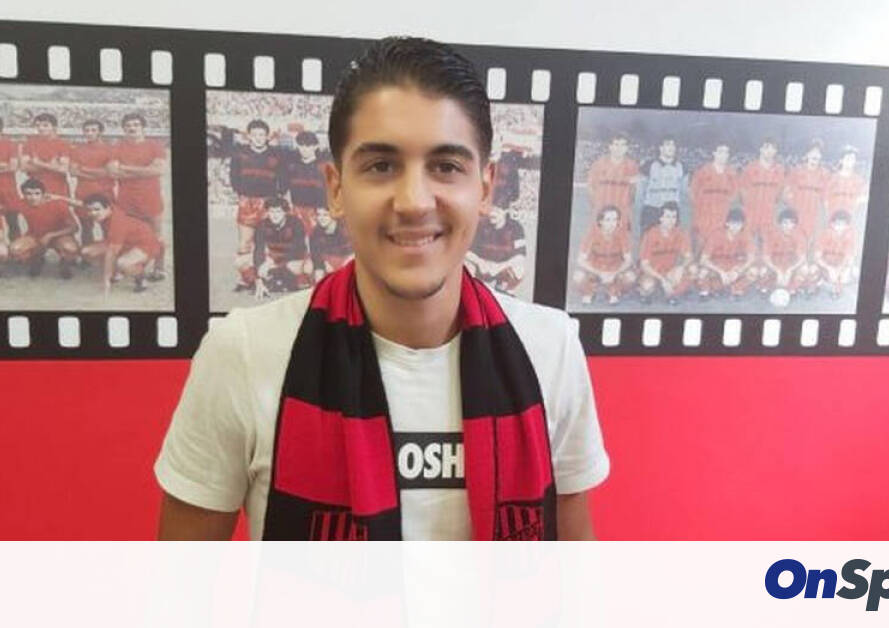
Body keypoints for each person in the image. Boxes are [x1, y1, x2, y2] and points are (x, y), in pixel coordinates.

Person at [155, 37, 608, 541]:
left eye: (446, 166)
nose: (414, 201)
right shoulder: (241, 353)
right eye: (381, 166)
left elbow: (574, 566)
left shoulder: (552, 349)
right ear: (335, 189)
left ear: (485, 187)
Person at [108, 112, 167, 279]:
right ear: (123, 129)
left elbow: (158, 170)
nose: (132, 128)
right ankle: (128, 265)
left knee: (156, 235)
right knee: (127, 235)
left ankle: (159, 268)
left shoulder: (155, 146)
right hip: (126, 201)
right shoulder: (118, 146)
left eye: (135, 125)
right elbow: (113, 172)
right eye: (128, 126)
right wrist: (145, 171)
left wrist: (126, 168)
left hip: (151, 199)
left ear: (143, 127)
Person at [228, 119, 283, 290]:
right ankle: (246, 278)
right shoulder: (240, 154)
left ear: (267, 136)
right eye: (255, 134)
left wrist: (278, 195)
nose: (258, 138)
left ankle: (268, 277)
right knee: (245, 242)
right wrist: (241, 193)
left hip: (268, 203)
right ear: (249, 136)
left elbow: (283, 178)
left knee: (269, 242)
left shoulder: (276, 155)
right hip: (247, 202)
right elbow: (233, 177)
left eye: (262, 134)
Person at [79, 193, 163, 294]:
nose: (93, 213)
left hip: (145, 244)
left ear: (108, 208)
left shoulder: (117, 223)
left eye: (97, 209)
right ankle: (118, 272)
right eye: (90, 210)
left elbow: (111, 254)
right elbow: (81, 204)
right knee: (86, 252)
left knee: (123, 263)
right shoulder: (108, 210)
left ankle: (140, 277)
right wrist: (62, 198)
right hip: (125, 242)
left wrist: (106, 281)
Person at [11, 179, 79, 279]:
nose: (33, 197)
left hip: (59, 237)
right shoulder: (21, 203)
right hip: (35, 236)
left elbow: (74, 227)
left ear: (43, 194)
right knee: (15, 249)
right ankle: (37, 259)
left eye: (37, 193)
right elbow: (4, 207)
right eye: (28, 194)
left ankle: (65, 263)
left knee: (70, 248)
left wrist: (51, 235)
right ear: (23, 195)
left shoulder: (58, 204)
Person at [572, 205, 635, 305]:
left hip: (615, 271)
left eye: (615, 219)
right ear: (600, 221)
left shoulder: (622, 235)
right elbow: (580, 260)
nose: (612, 223)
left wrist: (615, 273)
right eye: (608, 220)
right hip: (595, 270)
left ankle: (614, 291)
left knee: (631, 277)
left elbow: (628, 260)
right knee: (577, 277)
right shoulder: (591, 235)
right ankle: (590, 291)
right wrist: (599, 273)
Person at [252, 196, 312, 298]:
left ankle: (300, 280)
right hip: (274, 257)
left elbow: (298, 250)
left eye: (278, 212)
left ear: (285, 212)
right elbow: (258, 249)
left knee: (301, 267)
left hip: (294, 259)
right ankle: (273, 280)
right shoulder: (262, 225)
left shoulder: (295, 223)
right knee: (243, 263)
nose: (275, 215)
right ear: (267, 212)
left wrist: (275, 263)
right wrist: (259, 274)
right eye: (271, 212)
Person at [70, 119, 116, 245]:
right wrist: (98, 172)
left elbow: (110, 172)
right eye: (87, 130)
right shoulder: (77, 149)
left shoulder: (110, 149)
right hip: (83, 193)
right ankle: (86, 254)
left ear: (100, 132)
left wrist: (84, 169)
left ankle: (107, 253)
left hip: (104, 193)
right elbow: (73, 171)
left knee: (107, 227)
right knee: (86, 228)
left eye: (93, 130)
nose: (90, 133)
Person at [637, 202, 693, 304]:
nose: (671, 220)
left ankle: (670, 291)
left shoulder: (681, 233)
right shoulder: (650, 234)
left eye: (674, 217)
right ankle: (665, 290)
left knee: (692, 270)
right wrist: (662, 280)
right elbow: (644, 265)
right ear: (660, 218)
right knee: (647, 286)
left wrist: (680, 267)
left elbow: (689, 257)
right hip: (653, 272)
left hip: (669, 271)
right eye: (667, 217)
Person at [465, 204, 527, 294]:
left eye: (497, 211)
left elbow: (520, 256)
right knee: (466, 264)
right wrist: (480, 262)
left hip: (501, 267)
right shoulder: (480, 224)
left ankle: (505, 290)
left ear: (505, 211)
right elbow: (466, 250)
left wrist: (498, 267)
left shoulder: (515, 227)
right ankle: (472, 290)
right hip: (482, 265)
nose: (492, 214)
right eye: (491, 210)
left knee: (519, 268)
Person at [689, 142, 738, 252]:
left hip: (722, 218)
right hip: (704, 219)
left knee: (718, 251)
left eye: (726, 152)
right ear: (714, 153)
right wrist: (700, 211)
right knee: (700, 251)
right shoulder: (703, 171)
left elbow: (734, 193)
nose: (723, 155)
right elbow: (693, 192)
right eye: (720, 152)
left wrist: (724, 203)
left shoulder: (731, 173)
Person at [696, 208, 755, 299]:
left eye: (739, 224)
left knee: (754, 272)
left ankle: (735, 288)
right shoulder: (716, 234)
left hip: (734, 267)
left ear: (743, 225)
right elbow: (703, 259)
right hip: (717, 266)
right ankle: (707, 291)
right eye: (733, 223)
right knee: (702, 273)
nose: (736, 227)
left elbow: (752, 258)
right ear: (727, 223)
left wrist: (738, 271)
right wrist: (721, 272)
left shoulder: (745, 235)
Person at [739, 137, 786, 243]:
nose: (769, 151)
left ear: (776, 151)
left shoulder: (779, 170)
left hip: (769, 216)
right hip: (751, 215)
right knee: (748, 245)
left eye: (773, 148)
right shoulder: (750, 168)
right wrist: (748, 207)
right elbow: (742, 191)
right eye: (766, 147)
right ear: (760, 149)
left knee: (767, 246)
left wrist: (773, 205)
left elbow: (780, 193)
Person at [636, 136, 686, 233]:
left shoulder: (681, 167)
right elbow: (640, 193)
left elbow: (683, 194)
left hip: (671, 212)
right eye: (667, 145)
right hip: (652, 210)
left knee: (671, 241)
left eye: (673, 145)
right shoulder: (648, 166)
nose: (671, 148)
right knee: (648, 240)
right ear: (661, 148)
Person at [783, 141, 830, 243]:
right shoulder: (796, 171)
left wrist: (826, 218)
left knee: (809, 243)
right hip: (796, 215)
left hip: (813, 218)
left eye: (818, 153)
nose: (815, 155)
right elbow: (786, 193)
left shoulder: (824, 174)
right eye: (812, 152)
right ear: (807, 154)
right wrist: (790, 204)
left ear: (821, 156)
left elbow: (826, 200)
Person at [282, 130, 329, 233]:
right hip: (296, 210)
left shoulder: (324, 166)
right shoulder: (291, 166)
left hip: (317, 212)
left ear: (315, 146)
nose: (304, 149)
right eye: (301, 146)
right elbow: (284, 190)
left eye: (308, 146)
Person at [757, 208, 811, 296]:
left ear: (795, 224)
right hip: (775, 264)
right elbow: (766, 257)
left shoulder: (799, 235)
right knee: (762, 271)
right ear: (779, 224)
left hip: (791, 265)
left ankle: (791, 289)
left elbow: (802, 257)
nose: (787, 226)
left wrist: (790, 269)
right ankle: (769, 287)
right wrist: (777, 270)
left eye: (791, 223)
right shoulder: (771, 235)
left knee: (805, 269)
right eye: (785, 223)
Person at [586, 133, 638, 217]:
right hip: (602, 210)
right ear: (610, 146)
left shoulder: (632, 166)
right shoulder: (598, 165)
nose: (619, 148)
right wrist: (596, 205)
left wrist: (627, 206)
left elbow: (633, 191)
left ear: (627, 148)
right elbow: (591, 187)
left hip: (622, 211)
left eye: (623, 145)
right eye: (616, 144)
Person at [813, 211, 858, 298]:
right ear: (832, 224)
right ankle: (821, 281)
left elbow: (850, 256)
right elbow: (817, 256)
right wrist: (829, 268)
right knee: (815, 272)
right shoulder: (825, 233)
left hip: (841, 263)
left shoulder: (851, 235)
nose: (840, 227)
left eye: (843, 224)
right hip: (826, 263)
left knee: (845, 277)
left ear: (847, 225)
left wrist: (844, 268)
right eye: (837, 224)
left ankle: (836, 287)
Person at [307, 205, 352, 282]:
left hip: (346, 261)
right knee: (309, 267)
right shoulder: (315, 233)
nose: (321, 218)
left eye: (325, 215)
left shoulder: (345, 229)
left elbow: (353, 253)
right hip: (328, 263)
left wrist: (337, 265)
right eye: (319, 215)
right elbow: (316, 258)